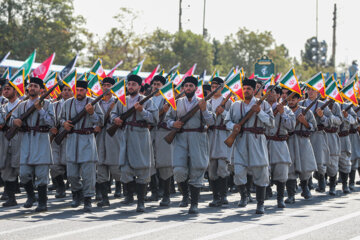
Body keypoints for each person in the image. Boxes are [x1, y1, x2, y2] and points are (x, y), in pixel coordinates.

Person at [165, 76, 215, 214]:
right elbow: (168, 119)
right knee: (179, 170)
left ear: (195, 88)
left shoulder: (203, 102)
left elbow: (211, 121)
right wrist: (173, 124)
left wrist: (204, 110)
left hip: (197, 138)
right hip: (180, 138)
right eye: (186, 86)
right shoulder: (177, 102)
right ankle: (185, 195)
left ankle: (194, 204)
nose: (188, 88)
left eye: (191, 86)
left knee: (197, 170)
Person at [224, 77, 274, 214]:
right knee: (239, 171)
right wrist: (233, 126)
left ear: (254, 90)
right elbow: (227, 121)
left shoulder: (263, 105)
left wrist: (259, 112)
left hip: (257, 140)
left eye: (249, 89)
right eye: (244, 88)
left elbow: (271, 123)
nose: (246, 91)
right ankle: (243, 196)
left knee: (261, 172)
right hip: (240, 140)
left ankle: (260, 204)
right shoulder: (235, 105)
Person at [110, 74, 158, 212]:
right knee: (125, 168)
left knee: (142, 168)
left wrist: (142, 111)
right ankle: (129, 195)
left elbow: (154, 119)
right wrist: (116, 120)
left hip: (141, 136)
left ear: (139, 86)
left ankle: (141, 202)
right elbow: (113, 114)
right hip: (125, 135)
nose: (130, 86)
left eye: (133, 84)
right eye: (129, 84)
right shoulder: (122, 101)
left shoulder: (146, 101)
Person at [11, 77, 55, 212]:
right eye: (30, 86)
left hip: (41, 141)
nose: (32, 88)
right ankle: (31, 196)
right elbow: (13, 119)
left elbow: (52, 123)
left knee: (42, 175)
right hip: (26, 141)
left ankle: (42, 202)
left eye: (35, 86)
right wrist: (16, 122)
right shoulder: (22, 105)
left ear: (41, 90)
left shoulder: (47, 104)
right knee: (23, 174)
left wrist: (40, 110)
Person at [59, 80, 104, 212]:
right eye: (77, 90)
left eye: (81, 90)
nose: (79, 92)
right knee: (72, 174)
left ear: (86, 91)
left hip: (87, 139)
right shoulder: (67, 103)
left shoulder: (93, 103)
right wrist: (64, 124)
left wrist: (92, 113)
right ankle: (76, 194)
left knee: (88, 174)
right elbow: (61, 118)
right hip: (72, 139)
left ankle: (88, 199)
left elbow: (100, 121)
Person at [265, 87, 295, 208]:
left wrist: (282, 113)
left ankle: (280, 198)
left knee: (282, 172)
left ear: (277, 95)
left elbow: (291, 126)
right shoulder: (261, 107)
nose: (270, 94)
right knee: (262, 170)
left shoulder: (286, 109)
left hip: (280, 143)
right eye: (268, 92)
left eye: (272, 92)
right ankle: (262, 196)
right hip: (264, 142)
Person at [286, 92, 317, 203]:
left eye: (293, 99)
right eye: (289, 99)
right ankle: (291, 195)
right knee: (289, 169)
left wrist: (304, 122)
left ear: (298, 100)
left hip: (303, 141)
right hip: (289, 141)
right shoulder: (284, 111)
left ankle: (305, 188)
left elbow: (314, 127)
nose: (290, 102)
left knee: (305, 168)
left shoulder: (306, 111)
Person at [95, 77, 122, 207]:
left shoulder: (118, 101)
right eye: (104, 85)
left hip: (114, 136)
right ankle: (104, 197)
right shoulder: (97, 102)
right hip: (100, 136)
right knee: (101, 166)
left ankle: (121, 188)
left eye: (109, 85)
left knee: (116, 166)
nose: (106, 87)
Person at [147, 75, 173, 206]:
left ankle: (166, 195)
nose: (156, 86)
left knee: (165, 164)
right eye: (154, 84)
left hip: (163, 132)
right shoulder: (148, 99)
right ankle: (154, 192)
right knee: (151, 163)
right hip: (150, 132)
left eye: (158, 84)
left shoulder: (169, 100)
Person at [301, 88, 332, 194]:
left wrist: (322, 116)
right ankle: (307, 184)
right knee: (305, 160)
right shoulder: (301, 103)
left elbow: (330, 123)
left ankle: (321, 180)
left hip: (318, 134)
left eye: (313, 90)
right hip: (304, 135)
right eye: (308, 90)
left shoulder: (323, 105)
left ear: (318, 92)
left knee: (320, 160)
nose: (310, 92)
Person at [207, 77, 231, 207]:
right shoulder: (207, 102)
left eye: (216, 86)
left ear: (221, 88)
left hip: (223, 135)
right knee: (212, 168)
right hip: (211, 135)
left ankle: (223, 195)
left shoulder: (227, 102)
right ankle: (215, 195)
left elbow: (233, 119)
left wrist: (223, 113)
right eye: (212, 86)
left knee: (222, 166)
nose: (214, 89)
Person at [49, 85, 74, 199]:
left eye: (69, 90)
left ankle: (75, 189)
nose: (66, 92)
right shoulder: (54, 105)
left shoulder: (75, 104)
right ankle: (60, 187)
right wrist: (51, 128)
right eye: (64, 90)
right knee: (54, 165)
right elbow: (49, 120)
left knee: (71, 165)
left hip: (71, 138)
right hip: (57, 138)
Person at [0, 80, 21, 207]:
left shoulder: (22, 105)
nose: (6, 91)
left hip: (19, 137)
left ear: (15, 90)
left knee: (20, 168)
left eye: (8, 88)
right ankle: (10, 196)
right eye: (4, 89)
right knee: (7, 167)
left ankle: (33, 194)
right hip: (6, 138)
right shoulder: (3, 107)